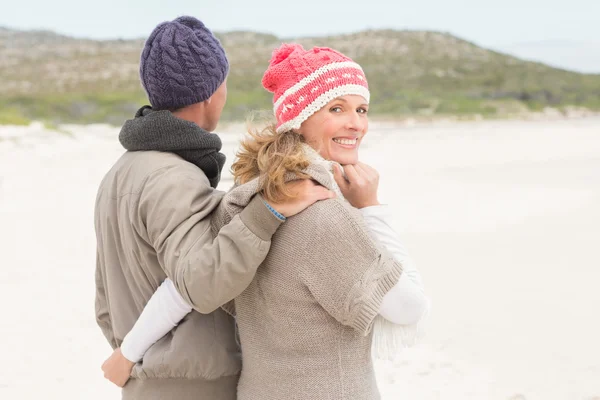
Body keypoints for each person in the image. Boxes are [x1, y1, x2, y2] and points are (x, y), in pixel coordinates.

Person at [102, 43, 430, 399]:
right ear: (299, 119)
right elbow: (410, 307)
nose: (357, 124)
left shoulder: (245, 199)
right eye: (337, 108)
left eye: (362, 109)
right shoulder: (325, 215)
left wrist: (128, 352)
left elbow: (184, 288)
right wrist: (370, 210)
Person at [94, 19, 334, 400]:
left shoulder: (121, 171)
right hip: (192, 387)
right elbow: (201, 284)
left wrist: (128, 353)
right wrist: (267, 210)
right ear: (212, 92)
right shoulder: (172, 176)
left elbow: (105, 298)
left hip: (146, 380)